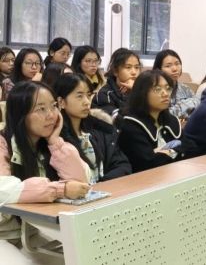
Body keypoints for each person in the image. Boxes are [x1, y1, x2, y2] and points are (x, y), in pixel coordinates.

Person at [0, 81, 90, 263]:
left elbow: (82, 182)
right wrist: (59, 190)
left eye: (53, 106)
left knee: (86, 256)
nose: (51, 115)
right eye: (41, 109)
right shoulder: (3, 144)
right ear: (20, 114)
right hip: (4, 234)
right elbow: (3, 189)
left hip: (36, 231)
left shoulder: (49, 144)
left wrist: (56, 143)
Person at [55, 73, 131, 183]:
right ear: (61, 102)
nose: (87, 102)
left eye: (89, 95)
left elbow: (122, 165)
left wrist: (102, 185)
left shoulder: (101, 129)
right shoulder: (55, 139)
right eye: (79, 96)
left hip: (106, 190)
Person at [117, 70, 182, 172]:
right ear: (142, 93)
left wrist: (166, 152)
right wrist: (175, 152)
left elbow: (189, 147)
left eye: (168, 88)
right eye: (157, 89)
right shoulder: (131, 125)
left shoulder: (171, 120)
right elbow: (149, 162)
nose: (165, 94)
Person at [153, 49, 200, 121]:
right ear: (159, 69)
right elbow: (160, 116)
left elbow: (198, 106)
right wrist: (185, 106)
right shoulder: (154, 90)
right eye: (168, 66)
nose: (175, 69)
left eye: (177, 64)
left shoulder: (185, 88)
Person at [92, 48, 141, 117]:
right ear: (115, 71)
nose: (134, 72)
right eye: (128, 67)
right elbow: (119, 120)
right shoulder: (105, 94)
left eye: (136, 67)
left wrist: (135, 91)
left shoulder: (141, 89)